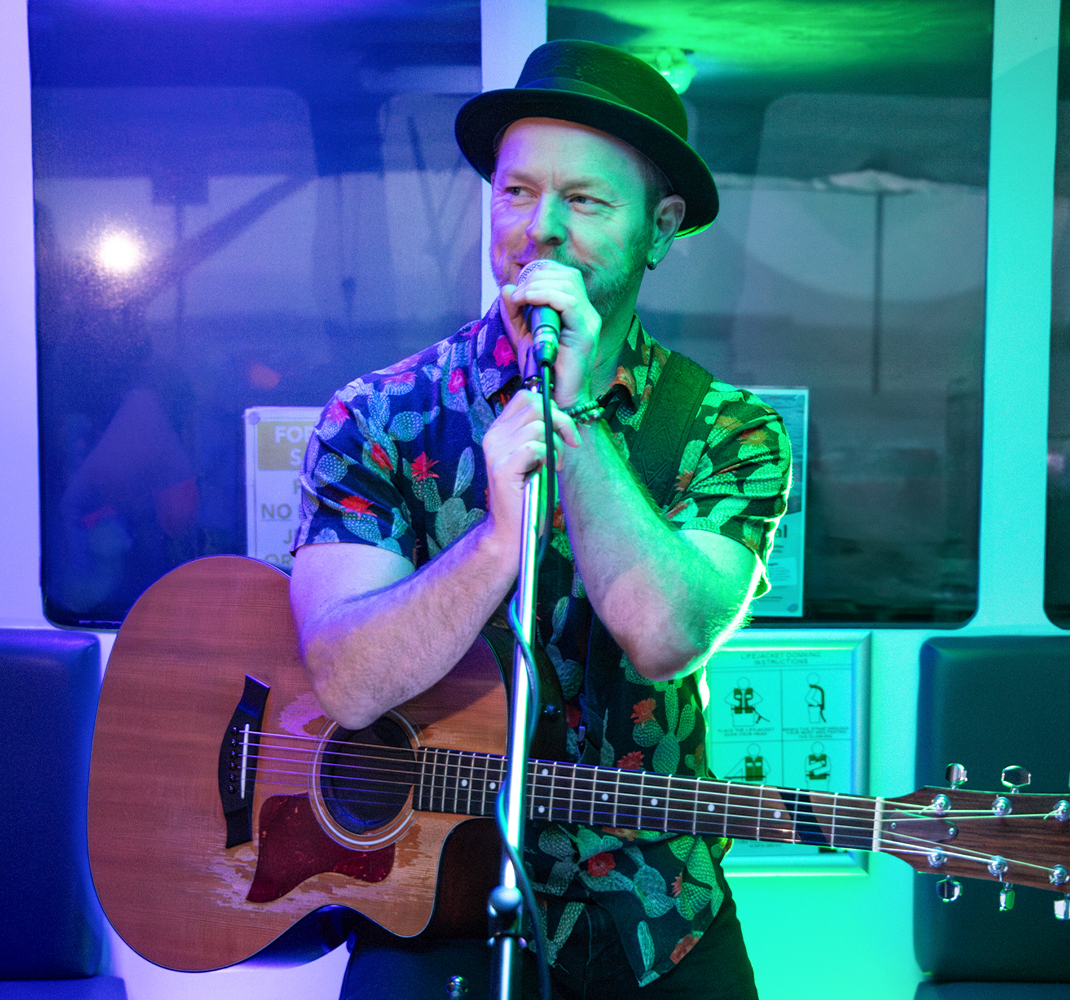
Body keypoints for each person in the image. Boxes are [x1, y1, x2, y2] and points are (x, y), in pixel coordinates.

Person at [289, 40, 791, 999]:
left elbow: (662, 636)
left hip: (656, 916)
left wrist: (582, 422)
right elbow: (347, 684)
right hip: (426, 900)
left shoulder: (731, 431)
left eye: (587, 202)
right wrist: (493, 546)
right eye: (517, 193)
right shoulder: (381, 417)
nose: (540, 231)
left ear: (662, 227)